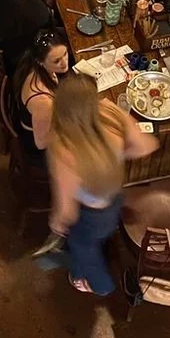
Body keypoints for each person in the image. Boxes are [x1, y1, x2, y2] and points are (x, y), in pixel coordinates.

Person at [47, 75, 159, 295]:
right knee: (97, 238)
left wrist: (56, 224)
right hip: (114, 201)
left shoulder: (64, 148)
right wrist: (115, 156)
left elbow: (67, 210)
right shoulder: (111, 113)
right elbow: (147, 145)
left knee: (83, 248)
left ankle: (99, 286)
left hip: (89, 215)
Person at [13, 29, 71, 158]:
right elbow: (41, 143)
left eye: (65, 54)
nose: (64, 62)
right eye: (56, 61)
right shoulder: (43, 102)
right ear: (40, 61)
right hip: (39, 149)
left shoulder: (35, 67)